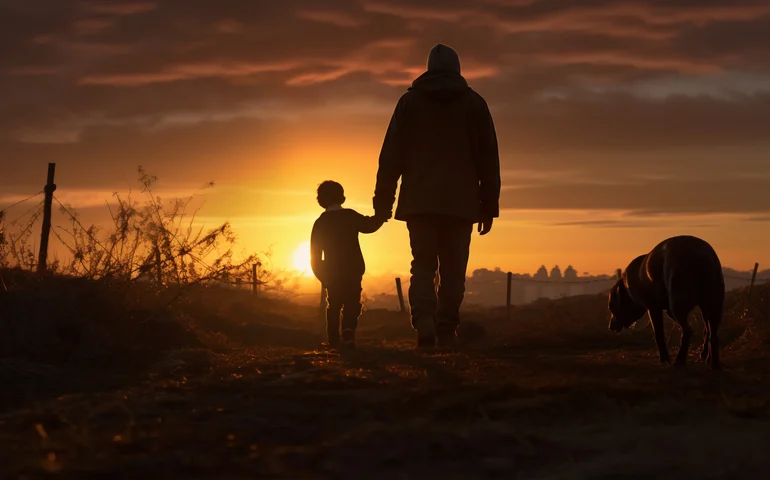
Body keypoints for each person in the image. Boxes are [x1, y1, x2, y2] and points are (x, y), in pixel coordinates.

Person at [373, 43, 501, 348]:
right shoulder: (475, 104)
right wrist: (488, 206)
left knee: (423, 265)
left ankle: (424, 321)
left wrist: (382, 203)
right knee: (454, 271)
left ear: (428, 68)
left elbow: (390, 158)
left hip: (419, 202)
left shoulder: (408, 104)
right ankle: (445, 329)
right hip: (462, 203)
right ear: (458, 69)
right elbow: (488, 160)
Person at [310, 180, 385, 349]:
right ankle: (349, 332)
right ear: (342, 197)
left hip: (331, 272)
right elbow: (369, 225)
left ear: (320, 201)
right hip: (353, 269)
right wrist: (381, 216)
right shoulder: (350, 216)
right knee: (353, 302)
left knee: (334, 304)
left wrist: (322, 275)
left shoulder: (320, 223)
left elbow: (315, 254)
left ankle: (333, 339)